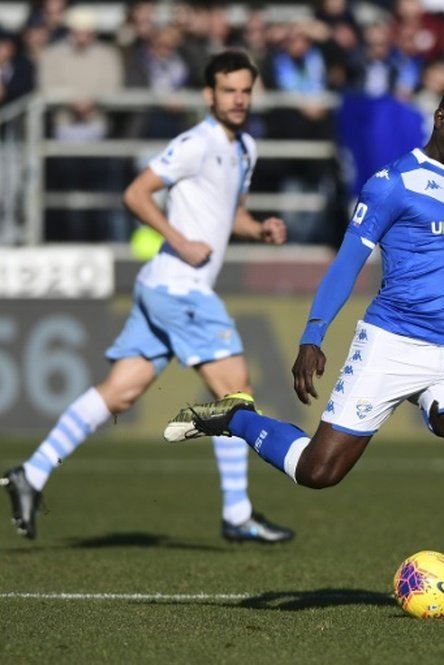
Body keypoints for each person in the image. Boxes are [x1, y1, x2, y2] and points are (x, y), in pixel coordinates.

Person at [161, 75, 444, 618]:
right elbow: (347, 262)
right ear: (440, 118)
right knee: (319, 472)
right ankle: (236, 418)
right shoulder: (392, 184)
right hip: (392, 345)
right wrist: (313, 334)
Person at [1, 50, 294, 545]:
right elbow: (137, 193)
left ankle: (33, 472)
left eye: (245, 90)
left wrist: (258, 227)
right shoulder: (196, 143)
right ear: (209, 96)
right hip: (180, 287)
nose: (239, 99)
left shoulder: (245, 147)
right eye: (229, 90)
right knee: (234, 391)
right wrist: (179, 240)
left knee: (120, 392)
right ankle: (238, 513)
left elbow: (229, 216)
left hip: (162, 286)